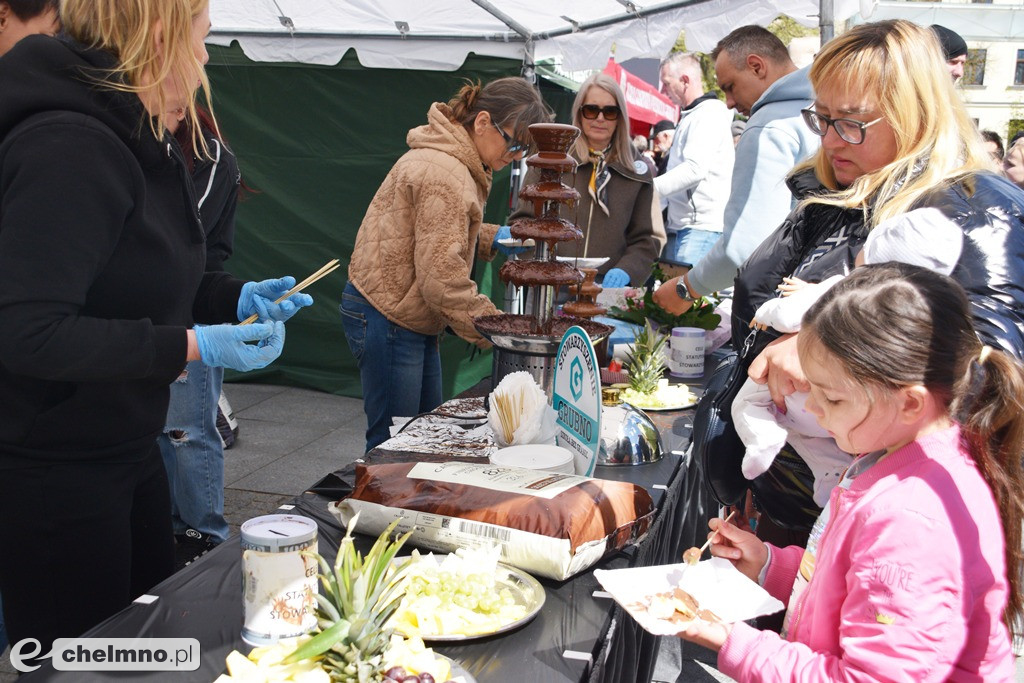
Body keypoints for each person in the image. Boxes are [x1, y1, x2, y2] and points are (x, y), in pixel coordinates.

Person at [0, 0, 311, 653]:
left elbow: (148, 283)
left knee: (144, 645)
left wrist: (236, 301)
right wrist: (191, 345)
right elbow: (28, 331)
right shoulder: (70, 144)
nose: (204, 65)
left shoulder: (136, 138)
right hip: (60, 473)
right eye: (201, 44)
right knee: (85, 658)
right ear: (159, 37)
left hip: (125, 447)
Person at [727, 20, 1024, 542]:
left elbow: (991, 381)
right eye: (822, 117)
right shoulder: (842, 188)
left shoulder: (977, 208)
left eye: (851, 122)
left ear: (916, 113)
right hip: (803, 508)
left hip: (889, 526)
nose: (830, 138)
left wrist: (820, 349)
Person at [679, 263, 1021, 681]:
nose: (815, 410)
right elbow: (855, 592)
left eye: (833, 399)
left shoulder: (910, 520)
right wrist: (771, 566)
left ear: (910, 403)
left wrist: (731, 639)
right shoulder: (894, 457)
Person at [342, 77, 551, 453]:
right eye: (515, 142)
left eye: (525, 148)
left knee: (423, 433)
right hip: (390, 314)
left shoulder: (452, 161)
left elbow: (431, 230)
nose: (517, 155)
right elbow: (441, 279)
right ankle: (384, 510)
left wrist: (488, 237)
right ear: (483, 122)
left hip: (403, 311)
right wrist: (499, 328)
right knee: (397, 443)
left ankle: (403, 507)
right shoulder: (447, 172)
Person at [734, 206, 964, 507]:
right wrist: (770, 558)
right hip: (851, 453)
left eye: (831, 398)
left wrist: (765, 312)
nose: (817, 406)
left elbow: (786, 313)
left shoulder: (843, 293)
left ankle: (762, 436)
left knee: (749, 402)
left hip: (789, 395)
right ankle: (829, 475)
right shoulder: (928, 320)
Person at [653, 26, 819, 313]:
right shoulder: (820, 110)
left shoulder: (768, 126)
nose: (729, 101)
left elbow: (746, 245)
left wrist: (686, 288)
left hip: (777, 298)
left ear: (756, 66)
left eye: (730, 86)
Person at [158, 106, 243, 569]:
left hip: (183, 321)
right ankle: (172, 531)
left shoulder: (210, 160)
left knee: (188, 431)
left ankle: (202, 538)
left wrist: (239, 300)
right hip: (163, 327)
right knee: (162, 433)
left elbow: (193, 259)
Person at [508, 73, 666, 288]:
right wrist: (538, 266)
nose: (600, 118)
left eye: (610, 111)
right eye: (591, 110)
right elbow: (523, 222)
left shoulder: (636, 173)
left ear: (620, 117)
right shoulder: (550, 161)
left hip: (606, 290)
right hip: (549, 286)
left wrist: (627, 270)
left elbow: (648, 239)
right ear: (579, 113)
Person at [655, 51, 734, 270]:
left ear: (685, 80)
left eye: (666, 83)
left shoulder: (707, 115)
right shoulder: (696, 115)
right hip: (687, 227)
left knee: (687, 302)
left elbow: (694, 169)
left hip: (699, 229)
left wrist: (647, 188)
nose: (663, 90)